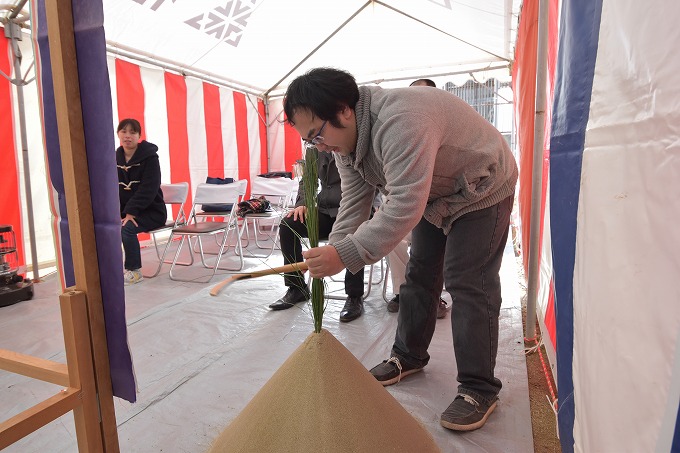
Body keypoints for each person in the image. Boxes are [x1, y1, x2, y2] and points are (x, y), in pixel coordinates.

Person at [284, 68, 517, 432]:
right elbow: (354, 202)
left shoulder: (401, 120)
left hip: (483, 187)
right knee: (419, 273)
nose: (320, 147)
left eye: (317, 135)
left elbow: (405, 203)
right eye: (311, 142)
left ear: (344, 110)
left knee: (467, 281)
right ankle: (408, 356)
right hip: (434, 194)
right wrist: (335, 250)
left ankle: (478, 387)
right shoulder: (346, 143)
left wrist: (345, 254)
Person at [269, 147, 367, 322]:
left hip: (351, 210)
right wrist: (302, 202)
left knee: (355, 231)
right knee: (288, 225)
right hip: (324, 210)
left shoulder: (353, 144)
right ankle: (297, 287)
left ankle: (354, 296)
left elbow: (370, 179)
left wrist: (373, 204)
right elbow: (307, 180)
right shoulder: (314, 149)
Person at [385, 77, 447, 318]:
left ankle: (433, 295)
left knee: (434, 243)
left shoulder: (445, 131)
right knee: (393, 239)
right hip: (409, 217)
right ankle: (403, 294)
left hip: (441, 217)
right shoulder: (399, 137)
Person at [116, 118, 166, 285]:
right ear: (118, 134)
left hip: (152, 212)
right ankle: (111, 269)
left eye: (132, 132)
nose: (127, 136)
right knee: (107, 228)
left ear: (139, 136)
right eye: (124, 131)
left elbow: (149, 189)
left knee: (127, 229)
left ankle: (134, 271)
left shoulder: (150, 158)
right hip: (126, 212)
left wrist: (131, 212)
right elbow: (111, 188)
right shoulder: (114, 158)